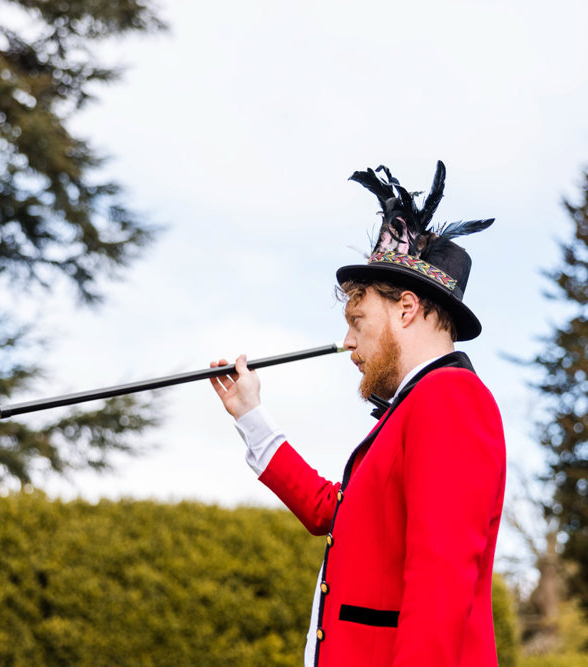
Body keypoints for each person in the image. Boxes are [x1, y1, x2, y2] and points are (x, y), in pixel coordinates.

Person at [209, 161, 506, 666]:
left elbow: (440, 590)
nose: (348, 341)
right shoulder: (416, 405)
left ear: (406, 309)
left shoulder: (450, 399)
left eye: (357, 319)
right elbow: (335, 511)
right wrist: (249, 414)